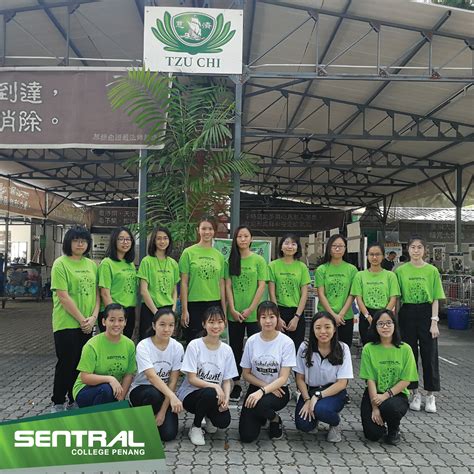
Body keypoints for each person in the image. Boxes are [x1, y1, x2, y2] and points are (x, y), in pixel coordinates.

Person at [50, 226, 99, 413]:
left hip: (87, 323)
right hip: (66, 323)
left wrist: (93, 317)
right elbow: (63, 296)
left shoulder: (91, 265)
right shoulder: (60, 264)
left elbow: (97, 294)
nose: (80, 244)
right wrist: (82, 320)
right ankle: (58, 401)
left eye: (84, 241)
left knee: (82, 363)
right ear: (68, 242)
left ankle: (75, 399)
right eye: (76, 240)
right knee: (66, 363)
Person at [395, 235, 445, 413]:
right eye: (413, 247)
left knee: (429, 353)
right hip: (407, 313)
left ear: (425, 250)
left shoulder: (431, 271)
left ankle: (430, 395)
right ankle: (414, 392)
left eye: (419, 247)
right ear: (407, 250)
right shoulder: (400, 271)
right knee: (410, 354)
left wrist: (434, 322)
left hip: (426, 313)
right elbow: (397, 298)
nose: (416, 251)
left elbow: (436, 299)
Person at [177, 306, 237, 446]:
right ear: (204, 324)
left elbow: (227, 380)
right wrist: (215, 385)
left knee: (223, 422)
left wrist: (227, 399)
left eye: (219, 321)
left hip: (214, 395)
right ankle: (196, 427)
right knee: (210, 393)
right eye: (211, 322)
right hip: (191, 395)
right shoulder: (195, 345)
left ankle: (208, 415)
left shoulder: (226, 350)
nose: (216, 326)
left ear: (224, 323)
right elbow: (191, 379)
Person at [239, 301, 296, 443]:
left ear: (277, 318)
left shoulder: (286, 342)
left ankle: (275, 419)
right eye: (263, 317)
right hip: (257, 387)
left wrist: (264, 391)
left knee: (260, 405)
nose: (268, 321)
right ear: (258, 319)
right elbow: (246, 374)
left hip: (279, 390)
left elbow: (283, 378)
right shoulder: (252, 341)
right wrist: (263, 387)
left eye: (271, 316)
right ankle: (261, 416)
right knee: (247, 436)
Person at [359, 309, 418, 445]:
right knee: (373, 435)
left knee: (390, 408)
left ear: (395, 325)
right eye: (380, 324)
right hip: (374, 394)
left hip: (396, 395)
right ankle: (380, 425)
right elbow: (370, 379)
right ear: (375, 327)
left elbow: (406, 380)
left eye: (388, 323)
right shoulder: (369, 348)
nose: (385, 327)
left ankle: (393, 429)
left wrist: (385, 396)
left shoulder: (405, 349)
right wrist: (374, 407)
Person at [294, 312, 353, 442]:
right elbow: (299, 378)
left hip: (333, 392)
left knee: (321, 409)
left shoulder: (343, 348)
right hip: (310, 391)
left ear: (334, 329)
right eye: (318, 327)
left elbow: (342, 383)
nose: (323, 331)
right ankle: (315, 417)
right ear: (313, 329)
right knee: (303, 425)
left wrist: (318, 396)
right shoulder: (305, 347)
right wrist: (307, 399)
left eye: (327, 327)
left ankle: (335, 423)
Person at [225, 225, 268, 402]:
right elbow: (227, 285)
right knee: (235, 348)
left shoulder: (259, 260)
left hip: (253, 314)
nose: (242, 239)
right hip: (234, 314)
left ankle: (255, 384)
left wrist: (251, 309)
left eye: (246, 236)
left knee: (255, 350)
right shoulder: (230, 261)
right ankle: (235, 383)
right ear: (235, 240)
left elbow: (262, 285)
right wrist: (233, 309)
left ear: (251, 239)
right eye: (239, 236)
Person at [129, 308, 184, 442]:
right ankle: (139, 418)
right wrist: (172, 397)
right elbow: (152, 377)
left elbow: (172, 381)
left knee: (168, 435)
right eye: (162, 324)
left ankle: (154, 418)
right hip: (142, 391)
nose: (166, 329)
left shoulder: (177, 348)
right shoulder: (143, 346)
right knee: (152, 393)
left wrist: (162, 412)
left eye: (171, 325)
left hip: (163, 395)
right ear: (154, 325)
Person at [73, 304, 136, 407]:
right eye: (111, 320)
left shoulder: (129, 345)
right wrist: (110, 379)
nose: (116, 324)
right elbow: (85, 377)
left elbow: (128, 375)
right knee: (106, 389)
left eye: (120, 320)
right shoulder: (92, 345)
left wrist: (121, 399)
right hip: (86, 390)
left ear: (125, 322)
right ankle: (96, 420)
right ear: (103, 322)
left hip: (113, 390)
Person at [179, 217, 226, 344]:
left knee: (212, 341)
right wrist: (184, 309)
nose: (207, 232)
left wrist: (224, 311)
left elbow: (221, 284)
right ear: (198, 230)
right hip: (194, 304)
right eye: (204, 228)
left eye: (210, 229)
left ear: (214, 231)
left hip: (214, 303)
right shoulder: (188, 253)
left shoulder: (219, 256)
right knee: (193, 341)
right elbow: (183, 283)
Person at [351, 243, 400, 346]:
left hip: (385, 315)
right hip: (366, 316)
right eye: (371, 254)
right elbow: (359, 299)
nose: (374, 257)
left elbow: (393, 298)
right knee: (368, 348)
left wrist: (383, 317)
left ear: (383, 256)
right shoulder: (360, 275)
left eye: (378, 254)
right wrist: (368, 317)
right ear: (367, 256)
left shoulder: (390, 276)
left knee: (386, 347)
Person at [268, 233, 311, 352]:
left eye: (293, 244)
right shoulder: (273, 265)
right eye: (286, 243)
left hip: (297, 312)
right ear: (281, 247)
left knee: (296, 350)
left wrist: (297, 317)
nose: (290, 246)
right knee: (278, 349)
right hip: (279, 311)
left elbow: (304, 294)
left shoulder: (302, 267)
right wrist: (277, 317)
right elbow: (272, 293)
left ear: (297, 248)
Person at [315, 234, 358, 347]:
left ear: (345, 248)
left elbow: (352, 294)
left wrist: (341, 314)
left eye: (341, 246)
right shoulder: (321, 269)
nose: (337, 248)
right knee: (324, 348)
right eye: (334, 246)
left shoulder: (352, 269)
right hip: (324, 316)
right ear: (329, 248)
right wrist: (333, 315)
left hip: (345, 317)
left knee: (343, 349)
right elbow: (321, 294)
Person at [138, 227, 179, 340]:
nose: (162, 241)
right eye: (159, 238)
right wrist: (156, 313)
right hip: (150, 309)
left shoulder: (173, 263)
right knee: (148, 342)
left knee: (166, 343)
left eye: (165, 238)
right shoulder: (147, 261)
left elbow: (174, 290)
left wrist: (173, 310)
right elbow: (143, 290)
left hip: (168, 309)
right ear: (154, 241)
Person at [98, 227, 137, 338]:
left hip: (129, 311)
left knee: (124, 345)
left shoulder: (130, 264)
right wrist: (115, 317)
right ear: (114, 241)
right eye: (121, 239)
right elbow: (105, 293)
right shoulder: (107, 263)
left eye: (128, 239)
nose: (125, 242)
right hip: (114, 311)